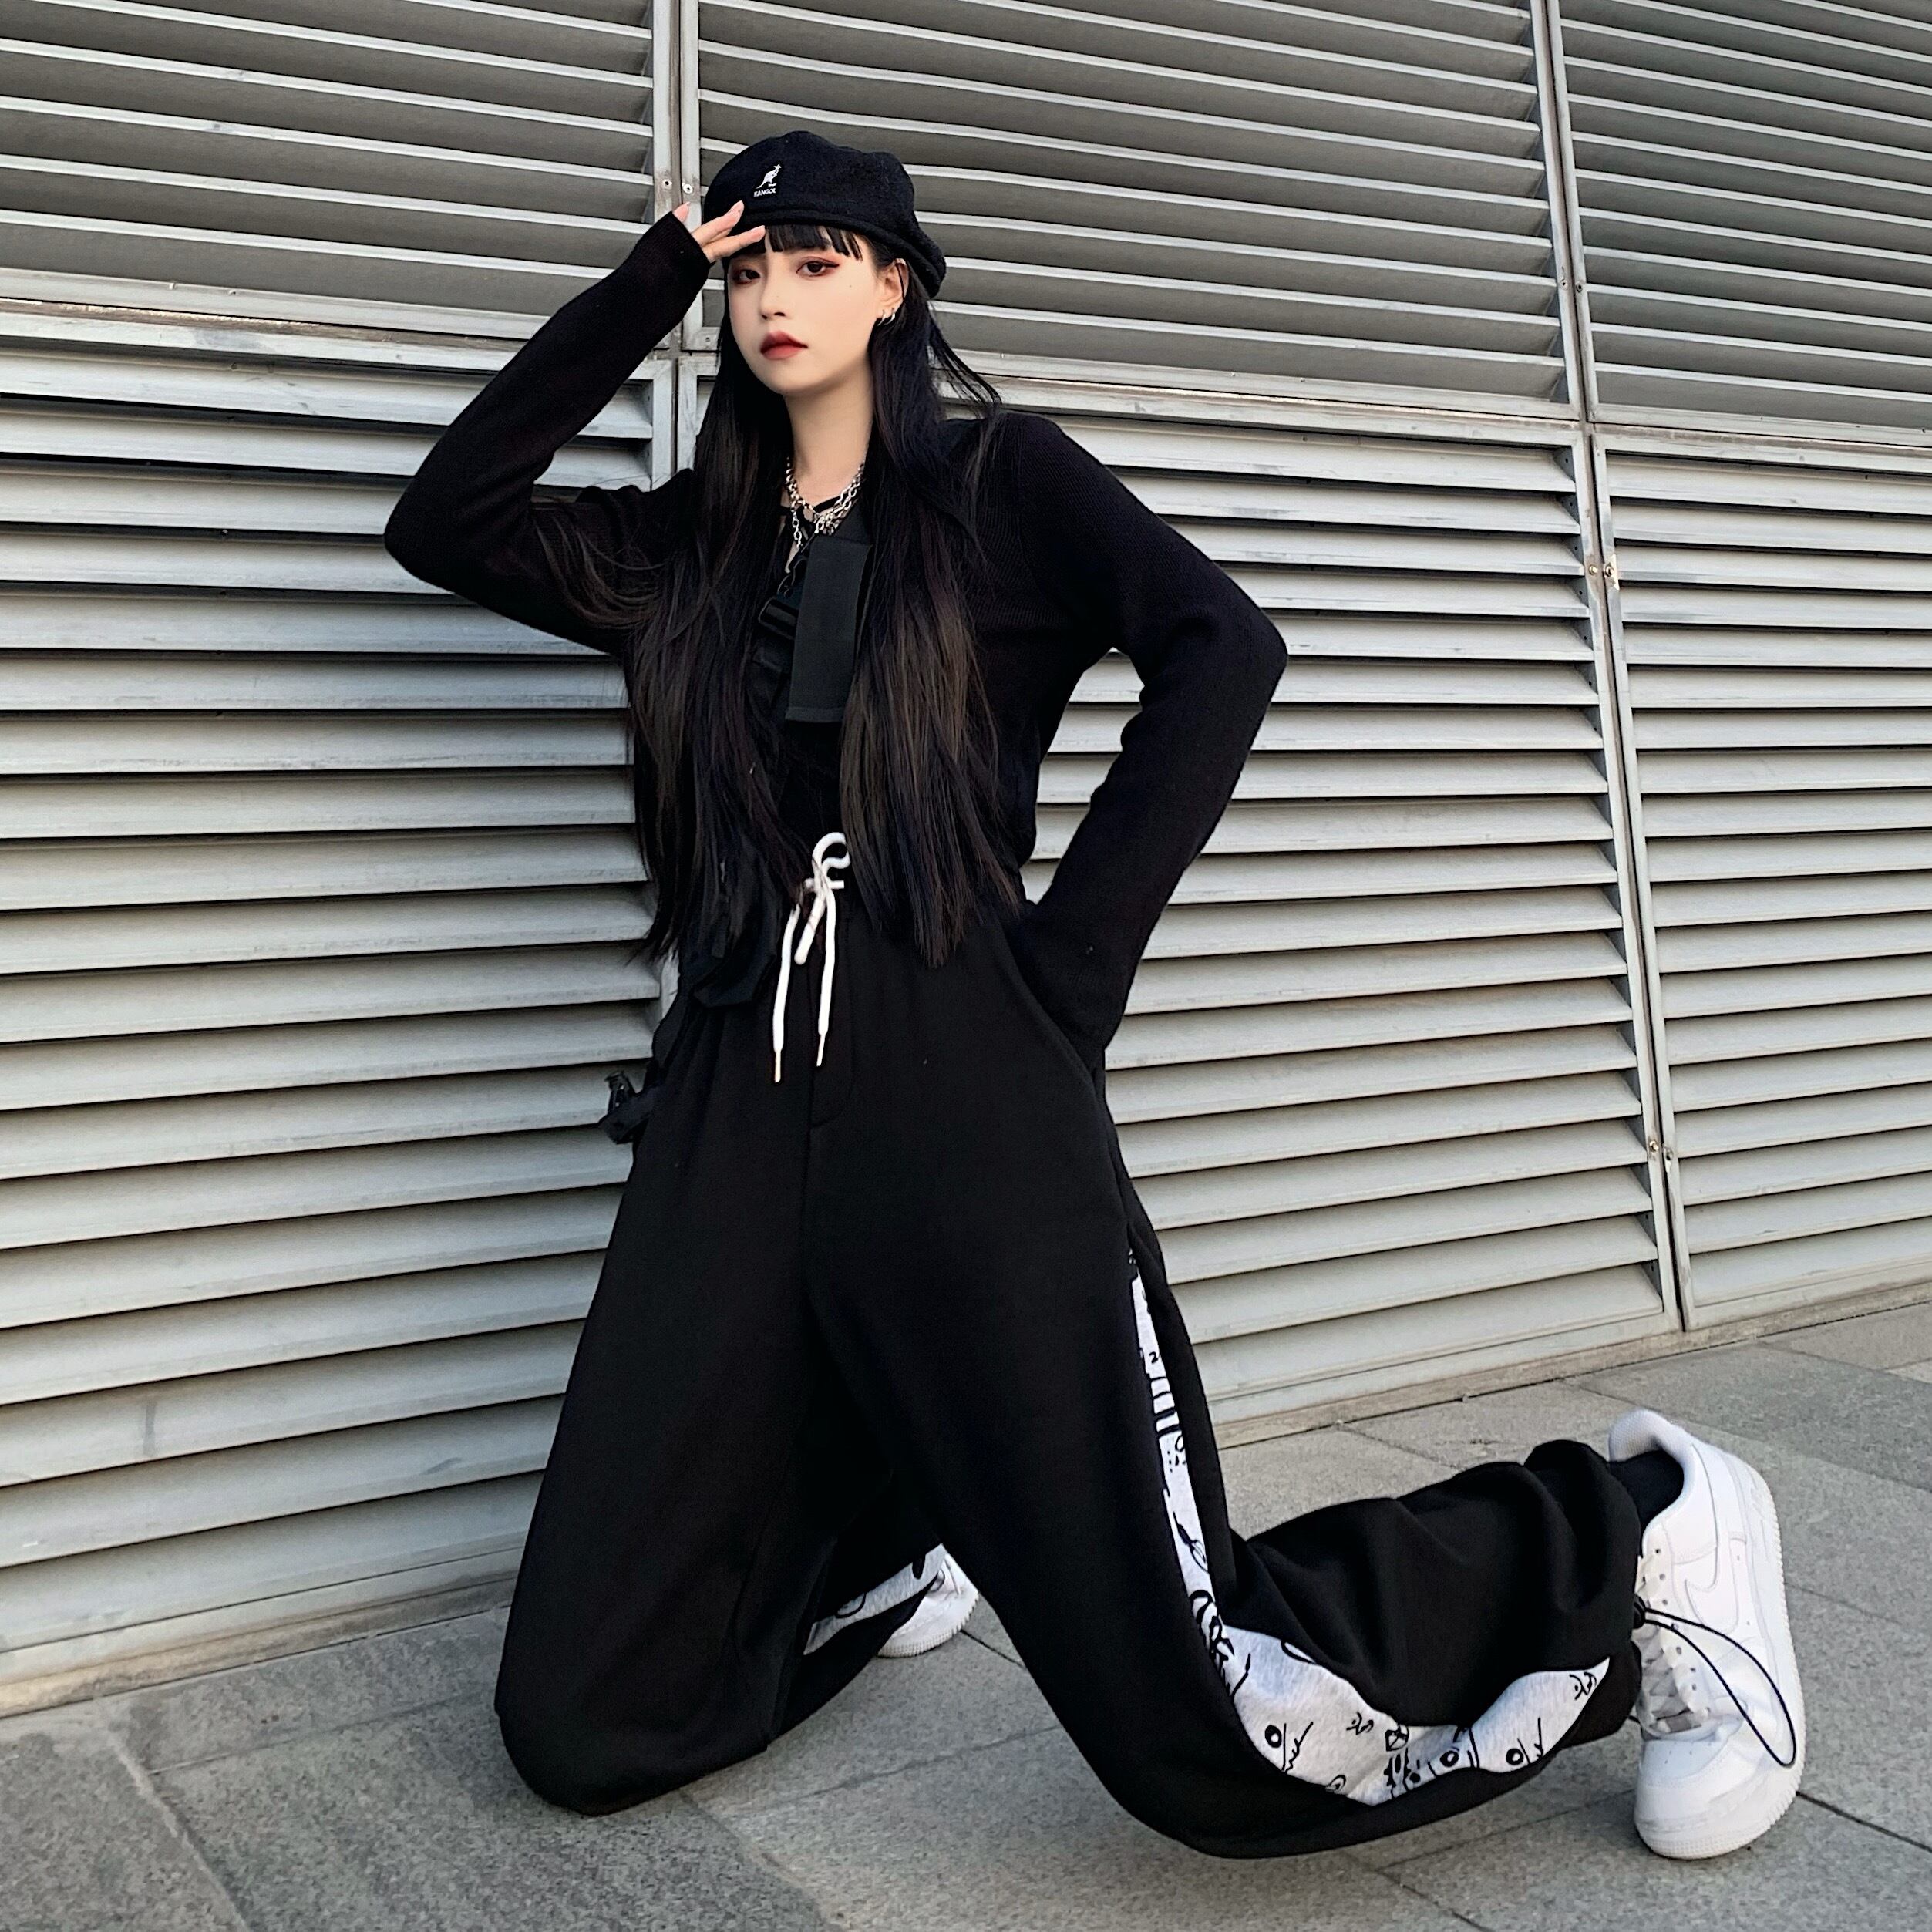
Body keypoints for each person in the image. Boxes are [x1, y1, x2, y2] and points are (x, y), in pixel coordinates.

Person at [382, 129, 1805, 1863]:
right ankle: (900, 1524)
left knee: (1204, 1716)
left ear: (893, 289)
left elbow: (1223, 646)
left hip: (959, 1069)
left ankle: (1642, 1534)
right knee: (583, 1719)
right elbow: (445, 518)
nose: (773, 297)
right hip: (733, 1087)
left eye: (815, 262)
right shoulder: (695, 540)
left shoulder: (1005, 480)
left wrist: (1067, 970)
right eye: (749, 270)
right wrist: (653, 271)